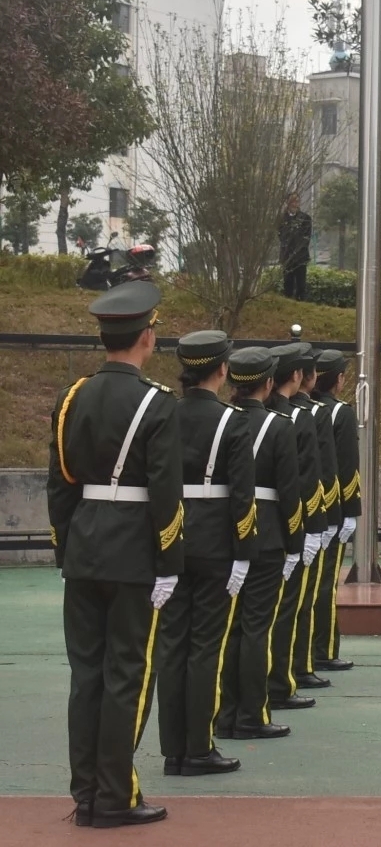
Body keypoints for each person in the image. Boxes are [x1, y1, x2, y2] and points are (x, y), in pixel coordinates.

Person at [47, 280, 183, 828]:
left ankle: (84, 794)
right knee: (126, 675)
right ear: (147, 337)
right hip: (133, 556)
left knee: (87, 676)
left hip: (83, 547)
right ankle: (115, 796)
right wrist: (169, 562)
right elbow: (165, 494)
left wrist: (66, 548)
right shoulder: (156, 403)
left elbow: (60, 484)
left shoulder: (70, 397)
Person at [156, 331, 256, 779]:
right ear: (221, 370)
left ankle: (173, 749)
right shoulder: (232, 421)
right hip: (216, 542)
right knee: (205, 648)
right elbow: (242, 496)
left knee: (171, 646)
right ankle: (199, 747)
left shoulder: (163, 416)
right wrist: (244, 552)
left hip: (171, 539)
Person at [215, 347, 301, 742]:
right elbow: (289, 492)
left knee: (227, 628)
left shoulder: (222, 421)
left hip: (223, 532)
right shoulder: (279, 426)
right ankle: (252, 713)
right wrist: (295, 541)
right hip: (266, 535)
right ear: (268, 383)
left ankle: (224, 712)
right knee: (255, 628)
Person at [265, 342, 328, 710]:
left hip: (257, 524)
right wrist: (312, 524)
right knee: (290, 606)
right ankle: (282, 680)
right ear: (300, 376)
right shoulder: (297, 417)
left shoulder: (259, 413)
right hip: (292, 522)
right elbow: (305, 478)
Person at [290, 346, 341, 689]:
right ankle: (310, 658)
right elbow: (328, 468)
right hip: (313, 511)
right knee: (312, 590)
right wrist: (339, 512)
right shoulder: (318, 414)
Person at [311, 349, 360, 671]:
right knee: (324, 583)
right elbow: (346, 465)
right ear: (338, 379)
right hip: (331, 507)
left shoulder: (301, 410)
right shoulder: (340, 413)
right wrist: (350, 509)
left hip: (304, 506)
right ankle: (324, 650)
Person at [278, 192, 312, 301]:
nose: (294, 204)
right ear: (287, 202)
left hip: (301, 256)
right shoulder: (281, 219)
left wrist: (296, 250)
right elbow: (281, 235)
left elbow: (306, 238)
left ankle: (301, 302)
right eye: (292, 201)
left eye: (297, 201)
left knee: (301, 284)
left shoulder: (305, 218)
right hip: (287, 256)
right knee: (288, 283)